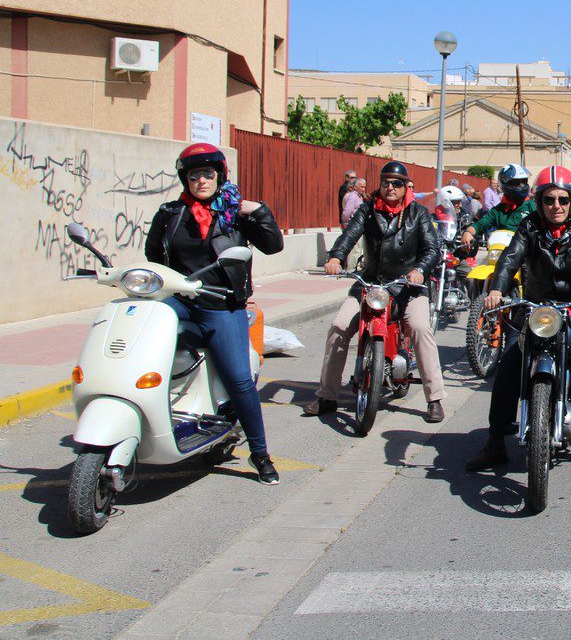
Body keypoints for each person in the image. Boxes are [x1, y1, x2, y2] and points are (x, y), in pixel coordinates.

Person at [466, 166, 571, 472]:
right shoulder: (529, 226)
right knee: (507, 368)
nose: (556, 206)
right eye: (549, 200)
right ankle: (495, 442)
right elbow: (510, 258)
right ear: (540, 201)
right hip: (536, 309)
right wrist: (497, 289)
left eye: (562, 199)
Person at [145, 143, 284, 484]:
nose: (202, 181)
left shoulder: (235, 214)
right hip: (181, 300)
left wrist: (256, 209)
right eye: (194, 175)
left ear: (220, 176)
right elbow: (152, 257)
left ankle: (260, 453)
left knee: (239, 379)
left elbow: (273, 245)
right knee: (145, 330)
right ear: (185, 179)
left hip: (221, 305)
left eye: (208, 174)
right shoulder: (170, 213)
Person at [309, 161, 447, 423]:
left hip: (409, 287)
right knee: (339, 327)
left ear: (406, 186)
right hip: (370, 283)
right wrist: (336, 258)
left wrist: (420, 269)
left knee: (419, 328)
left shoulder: (418, 213)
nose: (390, 187)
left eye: (396, 183)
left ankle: (435, 398)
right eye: (386, 182)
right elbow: (349, 236)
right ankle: (327, 395)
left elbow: (432, 249)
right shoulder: (368, 209)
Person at [461, 164, 535, 248]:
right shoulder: (498, 210)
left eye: (524, 182)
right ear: (506, 184)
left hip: (528, 254)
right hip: (502, 252)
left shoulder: (532, 206)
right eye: (517, 183)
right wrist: (468, 232)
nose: (522, 186)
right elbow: (481, 224)